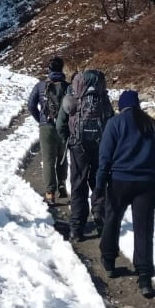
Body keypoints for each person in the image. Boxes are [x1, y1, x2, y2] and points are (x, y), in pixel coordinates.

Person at [97, 89, 155, 298]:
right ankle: (144, 277)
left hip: (120, 181)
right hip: (147, 184)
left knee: (112, 220)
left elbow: (105, 157)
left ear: (121, 106)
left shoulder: (115, 123)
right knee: (143, 229)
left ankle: (109, 261)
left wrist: (100, 186)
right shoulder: (151, 124)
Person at [55, 68, 113, 242]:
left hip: (78, 146)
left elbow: (60, 125)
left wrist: (68, 140)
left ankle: (76, 229)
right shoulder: (102, 98)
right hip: (100, 145)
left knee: (78, 185)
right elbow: (111, 120)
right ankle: (101, 219)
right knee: (98, 182)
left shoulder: (72, 96)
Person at [26, 56, 69, 203]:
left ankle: (50, 193)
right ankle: (62, 186)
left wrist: (41, 120)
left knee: (48, 159)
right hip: (63, 127)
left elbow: (31, 105)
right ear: (62, 68)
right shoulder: (68, 86)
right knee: (62, 157)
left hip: (46, 127)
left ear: (49, 69)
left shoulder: (40, 86)